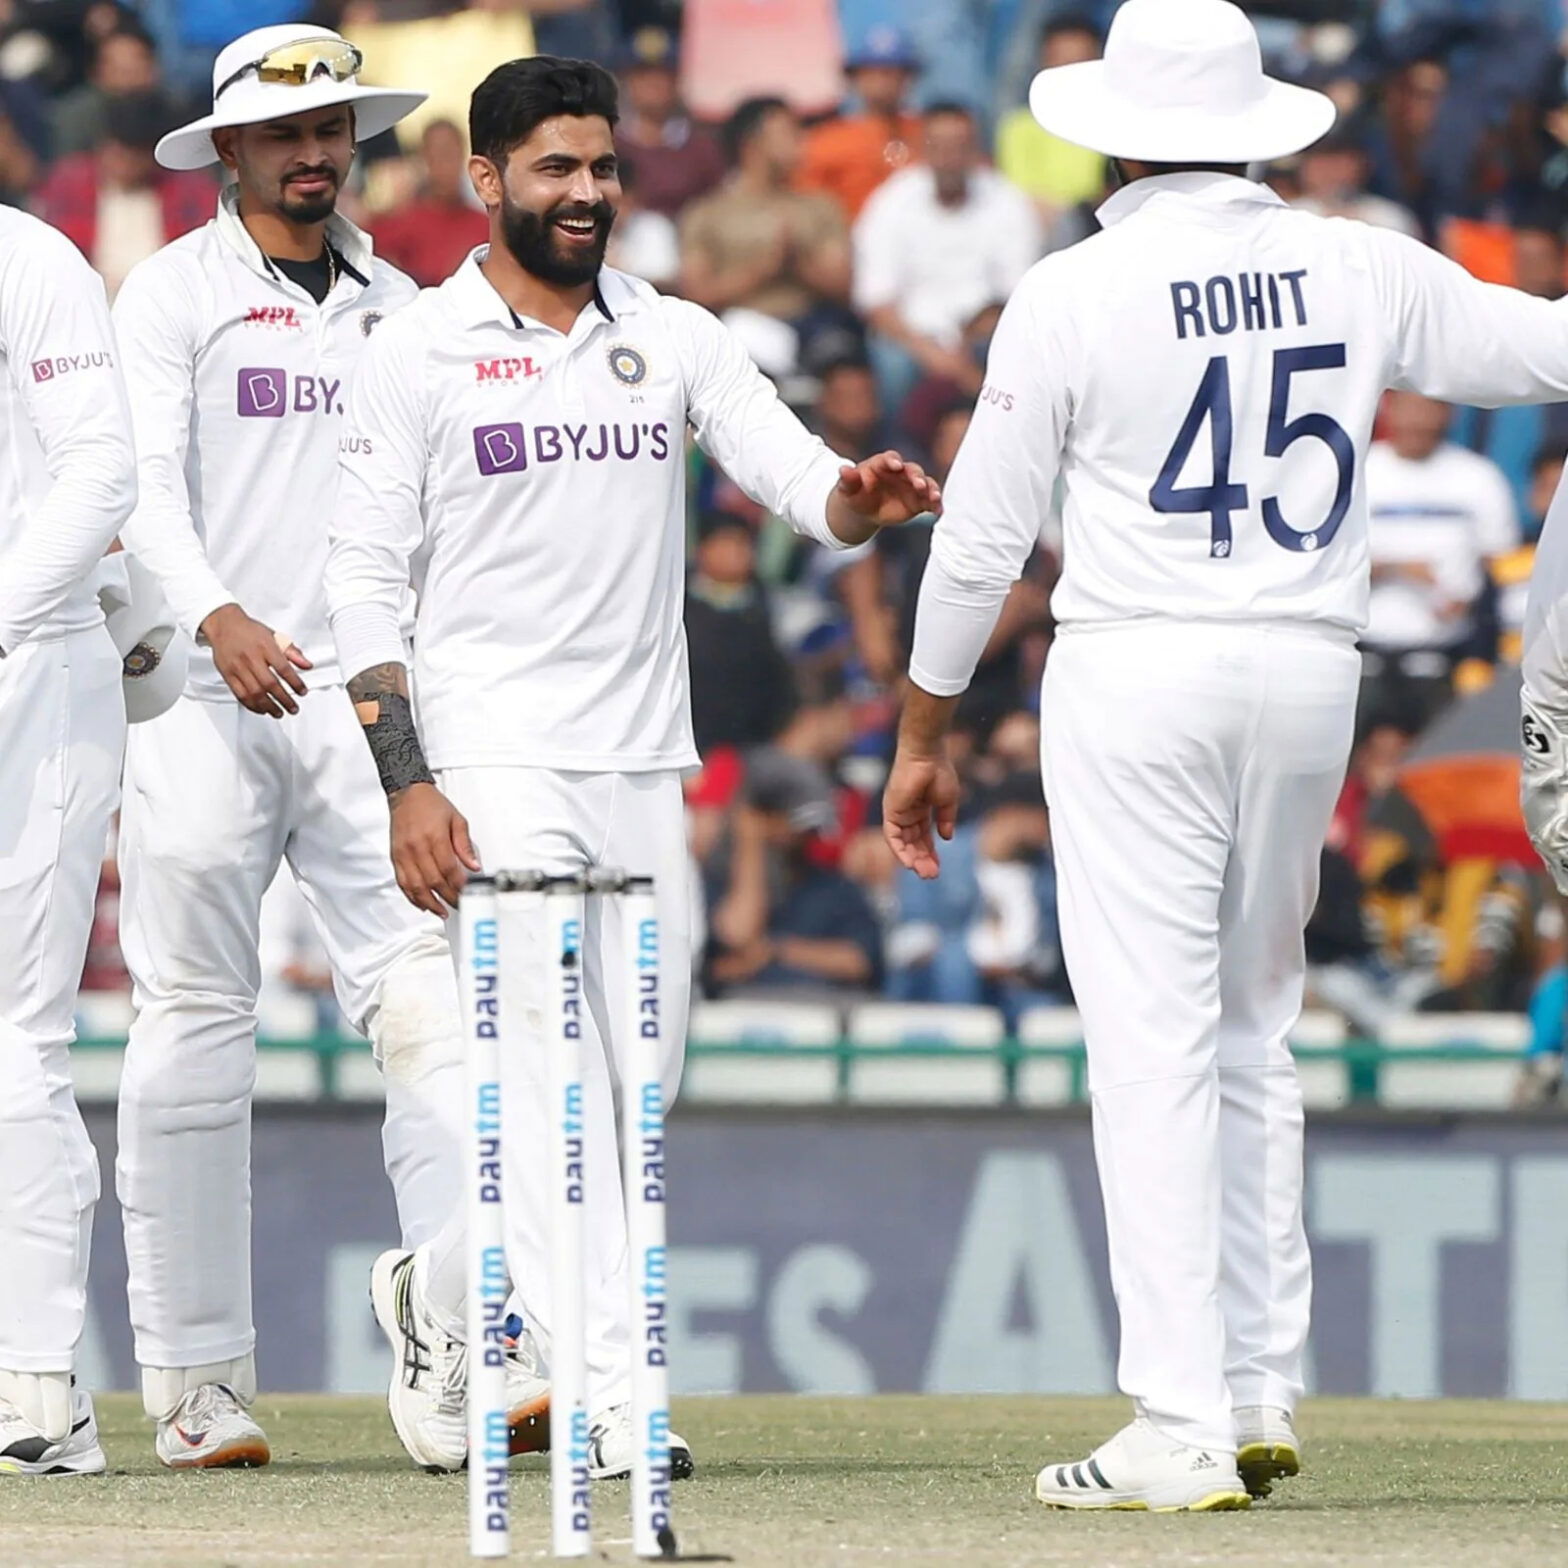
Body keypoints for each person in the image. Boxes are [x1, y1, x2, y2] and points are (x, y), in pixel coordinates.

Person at [881, 0, 1568, 1515]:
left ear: (1116, 132)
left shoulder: (1073, 287)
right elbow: (1545, 354)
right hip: (1310, 673)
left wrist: (925, 729)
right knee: (1258, 1031)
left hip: (1140, 666)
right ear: (1258, 126)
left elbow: (982, 539)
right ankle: (1258, 1391)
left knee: (1150, 1043)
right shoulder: (1355, 257)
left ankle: (1182, 1415)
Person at [324, 55, 938, 1481]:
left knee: (637, 1081)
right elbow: (361, 583)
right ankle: (608, 1393)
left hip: (640, 760)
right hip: (492, 755)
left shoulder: (669, 334)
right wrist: (409, 779)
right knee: (547, 1079)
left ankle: (467, 1296)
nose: (588, 192)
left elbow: (797, 476)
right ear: (485, 181)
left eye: (602, 168)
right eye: (555, 169)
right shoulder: (415, 350)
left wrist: (856, 501)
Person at [108, 25, 547, 1474]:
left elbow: (433, 526)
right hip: (208, 700)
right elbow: (141, 486)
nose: (316, 155)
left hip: (364, 712)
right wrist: (214, 610)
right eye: (288, 137)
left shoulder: (409, 309)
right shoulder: (170, 296)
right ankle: (196, 1381)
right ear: (228, 151)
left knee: (434, 1006)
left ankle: (459, 1341)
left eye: (335, 133)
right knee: (192, 1025)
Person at [0, 211, 138, 1477]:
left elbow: (102, 471)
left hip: (29, 668)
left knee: (13, 1028)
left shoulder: (28, 259)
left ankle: (39, 1388)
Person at [853, 101, 1042, 424]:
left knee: (1016, 356)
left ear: (975, 149)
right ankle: (897, 457)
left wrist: (967, 345)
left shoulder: (1007, 201)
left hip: (985, 333)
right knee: (891, 365)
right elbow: (876, 301)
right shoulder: (891, 201)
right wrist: (934, 355)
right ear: (923, 149)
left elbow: (1018, 293)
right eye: (939, 146)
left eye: (960, 146)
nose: (950, 158)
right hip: (911, 339)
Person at [1363, 391, 1518, 729]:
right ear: (1389, 408)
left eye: (1430, 408)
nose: (1418, 420)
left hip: (1445, 661)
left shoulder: (1478, 477)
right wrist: (1400, 569)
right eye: (1410, 407)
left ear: (1449, 412)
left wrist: (1472, 604)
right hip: (1362, 657)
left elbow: (1502, 566)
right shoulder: (1360, 471)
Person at [34, 90, 214, 300]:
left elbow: (201, 259)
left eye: (134, 156)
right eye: (118, 152)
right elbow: (51, 257)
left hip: (165, 298)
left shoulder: (189, 189)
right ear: (102, 146)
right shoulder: (69, 184)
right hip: (86, 299)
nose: (124, 164)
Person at [798, 23, 923, 222]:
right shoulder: (826, 141)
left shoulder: (930, 134)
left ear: (908, 78)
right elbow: (805, 207)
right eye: (874, 72)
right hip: (851, 243)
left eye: (894, 73)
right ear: (856, 78)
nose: (884, 82)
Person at [612, 25, 724, 220]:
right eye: (643, 75)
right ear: (628, 82)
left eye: (662, 75)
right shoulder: (610, 143)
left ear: (676, 82)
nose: (653, 84)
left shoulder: (701, 148)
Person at [370, 118, 488, 289]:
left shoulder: (486, 227)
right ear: (424, 157)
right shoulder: (396, 225)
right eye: (437, 154)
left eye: (450, 154)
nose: (445, 164)